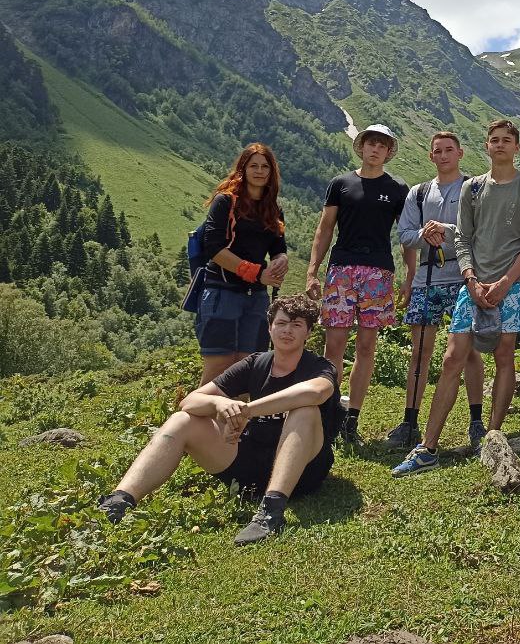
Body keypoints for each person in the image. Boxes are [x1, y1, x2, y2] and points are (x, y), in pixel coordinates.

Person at [98, 295, 338, 546]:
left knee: (305, 410)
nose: (287, 330)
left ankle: (271, 512)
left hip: (304, 471)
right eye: (281, 323)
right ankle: (120, 500)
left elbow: (315, 392)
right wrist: (219, 404)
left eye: (297, 324)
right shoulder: (256, 363)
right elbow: (189, 401)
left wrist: (246, 411)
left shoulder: (319, 367)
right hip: (251, 468)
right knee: (182, 421)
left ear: (308, 333)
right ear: (269, 328)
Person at [394, 119, 520, 475]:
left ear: (517, 147)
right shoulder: (474, 189)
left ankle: (493, 439)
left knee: (504, 355)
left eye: (507, 140)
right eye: (494, 140)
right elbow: (462, 238)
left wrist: (505, 282)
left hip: (515, 284)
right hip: (473, 282)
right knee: (452, 358)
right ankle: (428, 446)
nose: (500, 145)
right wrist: (471, 279)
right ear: (486, 146)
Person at [306, 124, 409, 445]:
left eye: (382, 145)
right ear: (361, 147)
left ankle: (352, 419)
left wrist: (410, 273)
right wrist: (312, 271)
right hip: (342, 270)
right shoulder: (341, 184)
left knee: (366, 347)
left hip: (379, 273)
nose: (376, 149)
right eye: (370, 144)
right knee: (333, 346)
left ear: (389, 152)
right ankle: (330, 412)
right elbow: (324, 230)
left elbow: (406, 236)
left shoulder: (398, 189)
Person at [385, 131, 485, 451]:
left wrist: (445, 231)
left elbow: (479, 232)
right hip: (426, 278)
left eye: (449, 150)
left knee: (468, 351)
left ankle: (476, 421)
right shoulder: (418, 192)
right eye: (437, 151)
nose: (443, 155)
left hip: (464, 277)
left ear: (460, 153)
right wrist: (424, 235)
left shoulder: (474, 189)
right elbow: (405, 235)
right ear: (431, 157)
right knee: (420, 350)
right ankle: (410, 421)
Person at [192, 144, 288, 385]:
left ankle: (238, 424)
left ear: (271, 172)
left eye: (265, 166)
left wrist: (281, 261)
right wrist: (257, 274)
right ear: (242, 170)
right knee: (218, 366)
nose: (259, 171)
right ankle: (196, 421)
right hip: (221, 292)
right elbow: (213, 248)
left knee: (251, 368)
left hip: (256, 298)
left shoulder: (274, 208)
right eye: (253, 165)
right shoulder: (225, 202)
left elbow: (278, 248)